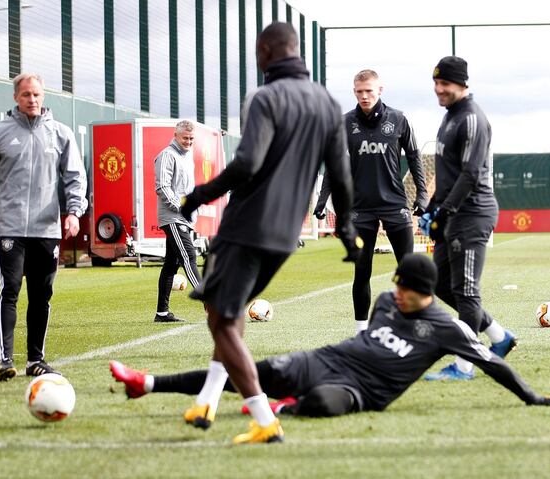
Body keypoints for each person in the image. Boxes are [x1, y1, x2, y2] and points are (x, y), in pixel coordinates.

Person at [111, 254, 550, 422]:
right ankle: (147, 383)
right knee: (252, 371)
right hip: (328, 358)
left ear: (426, 294)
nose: (396, 291)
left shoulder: (448, 327)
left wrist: (535, 398)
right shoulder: (384, 301)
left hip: (362, 392)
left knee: (321, 404)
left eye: (405, 289)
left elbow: (492, 363)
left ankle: (282, 409)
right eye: (396, 283)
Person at [175, 22, 359, 444]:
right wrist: (346, 227)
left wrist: (197, 196)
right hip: (285, 233)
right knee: (232, 311)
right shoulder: (328, 103)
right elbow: (342, 176)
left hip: (247, 226)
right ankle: (206, 400)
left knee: (221, 321)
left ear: (266, 51)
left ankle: (262, 418)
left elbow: (247, 164)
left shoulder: (266, 97)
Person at [0, 73, 88, 382]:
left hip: (47, 231)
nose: (32, 100)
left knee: (41, 295)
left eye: (36, 94)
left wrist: (74, 212)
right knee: (9, 291)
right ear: (16, 98)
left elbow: (75, 177)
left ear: (43, 96)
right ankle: (5, 359)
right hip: (10, 229)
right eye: (26, 95)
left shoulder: (60, 134)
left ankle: (36, 359)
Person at [420, 56, 517, 381]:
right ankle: (500, 337)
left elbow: (471, 174)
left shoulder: (473, 119)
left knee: (466, 292)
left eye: (444, 84)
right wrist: (432, 207)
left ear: (462, 84)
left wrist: (443, 211)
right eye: (436, 83)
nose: (439, 89)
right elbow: (447, 174)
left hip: (472, 214)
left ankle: (464, 366)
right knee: (440, 284)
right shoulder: (448, 119)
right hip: (452, 214)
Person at [314, 69, 428, 335]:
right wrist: (322, 199)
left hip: (394, 204)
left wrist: (422, 194)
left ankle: (414, 327)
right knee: (361, 271)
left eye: (369, 91)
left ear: (380, 90)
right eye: (359, 91)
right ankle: (361, 332)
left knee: (409, 270)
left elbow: (414, 156)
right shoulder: (345, 123)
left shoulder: (399, 120)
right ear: (354, 91)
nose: (364, 96)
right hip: (360, 209)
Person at [153, 120, 202, 323]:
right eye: (185, 138)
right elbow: (162, 187)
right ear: (176, 135)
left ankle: (162, 313)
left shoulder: (187, 156)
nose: (188, 141)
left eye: (191, 138)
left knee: (171, 265)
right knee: (188, 256)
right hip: (173, 217)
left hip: (183, 218)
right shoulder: (167, 155)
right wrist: (182, 208)